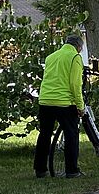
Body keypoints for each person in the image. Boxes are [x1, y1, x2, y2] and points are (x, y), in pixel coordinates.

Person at [34, 34, 85, 178]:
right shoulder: (75, 57)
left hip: (45, 100)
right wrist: (80, 106)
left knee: (44, 134)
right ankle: (71, 170)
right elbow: (75, 84)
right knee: (71, 135)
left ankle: (40, 169)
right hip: (64, 102)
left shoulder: (51, 57)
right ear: (78, 47)